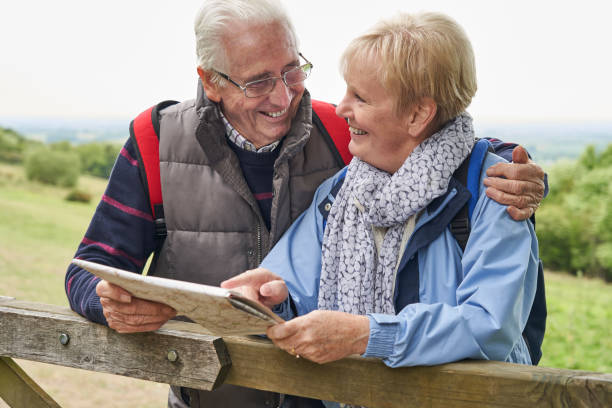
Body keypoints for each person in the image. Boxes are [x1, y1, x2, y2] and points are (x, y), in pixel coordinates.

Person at [65, 1, 546, 407]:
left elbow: (442, 144)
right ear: (211, 81)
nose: (286, 95)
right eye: (258, 81)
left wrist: (519, 171)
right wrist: (115, 305)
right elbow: (90, 267)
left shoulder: (355, 143)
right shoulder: (158, 141)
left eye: (292, 70)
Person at [222, 10, 540, 380]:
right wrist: (271, 297)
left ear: (418, 114)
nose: (342, 109)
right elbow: (292, 286)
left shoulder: (495, 190)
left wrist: (368, 336)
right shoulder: (340, 193)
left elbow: (489, 324)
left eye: (360, 98)